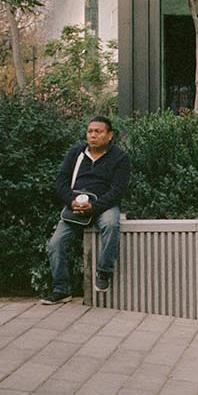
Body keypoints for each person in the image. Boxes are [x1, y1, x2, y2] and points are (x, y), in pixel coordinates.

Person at [42, 114, 131, 304]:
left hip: (104, 205)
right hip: (75, 205)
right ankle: (61, 289)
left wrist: (94, 207)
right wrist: (71, 201)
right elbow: (61, 182)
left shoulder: (120, 158)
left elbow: (118, 191)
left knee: (111, 224)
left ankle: (103, 272)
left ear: (110, 135)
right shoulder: (76, 154)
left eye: (98, 132)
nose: (93, 135)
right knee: (55, 244)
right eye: (90, 131)